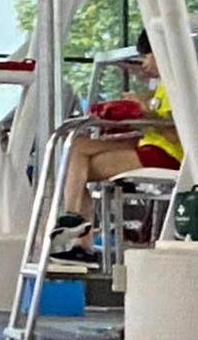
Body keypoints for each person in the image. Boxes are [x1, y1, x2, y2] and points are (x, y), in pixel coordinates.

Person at [58, 53, 181, 225]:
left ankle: (74, 223)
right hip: (147, 144)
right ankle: (73, 223)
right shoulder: (160, 88)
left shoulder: (177, 85)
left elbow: (174, 133)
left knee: (75, 171)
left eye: (146, 57)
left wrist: (142, 110)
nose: (143, 63)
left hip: (165, 153)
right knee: (76, 148)